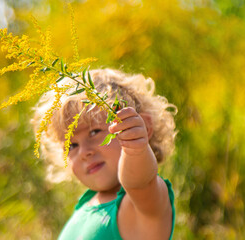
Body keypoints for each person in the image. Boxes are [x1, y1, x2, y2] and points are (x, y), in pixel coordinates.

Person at [32, 68, 177, 239]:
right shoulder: (87, 205)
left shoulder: (143, 203)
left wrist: (135, 149)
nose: (84, 152)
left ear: (143, 127)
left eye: (94, 132)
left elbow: (139, 182)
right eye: (72, 146)